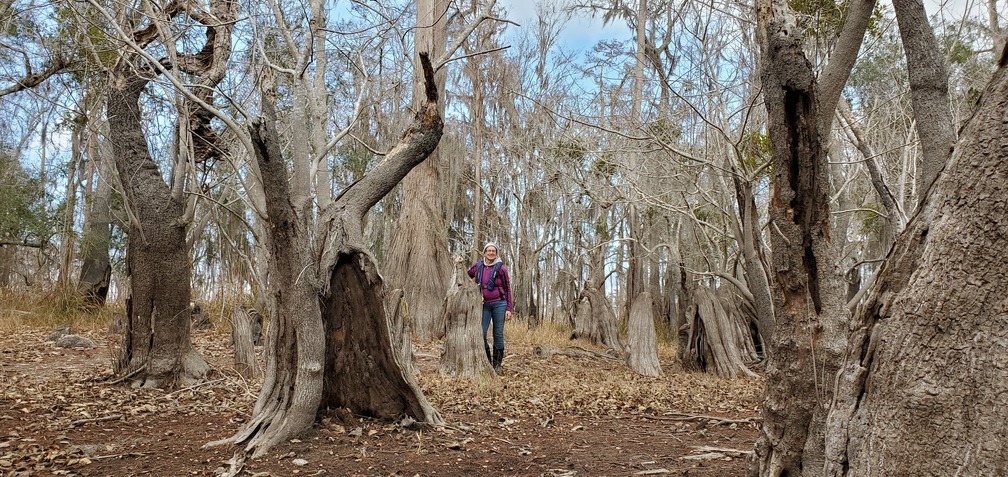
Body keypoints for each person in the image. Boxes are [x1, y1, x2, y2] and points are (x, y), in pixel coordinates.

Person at [455, 242, 513, 373]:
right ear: (484, 252)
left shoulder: (501, 269)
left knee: (498, 334)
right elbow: (467, 275)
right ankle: (487, 361)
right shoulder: (479, 266)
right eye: (489, 250)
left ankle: (497, 366)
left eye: (493, 251)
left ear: (496, 253)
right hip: (484, 304)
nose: (491, 253)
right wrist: (459, 264)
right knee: (481, 332)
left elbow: (508, 289)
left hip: (500, 303)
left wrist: (509, 308)